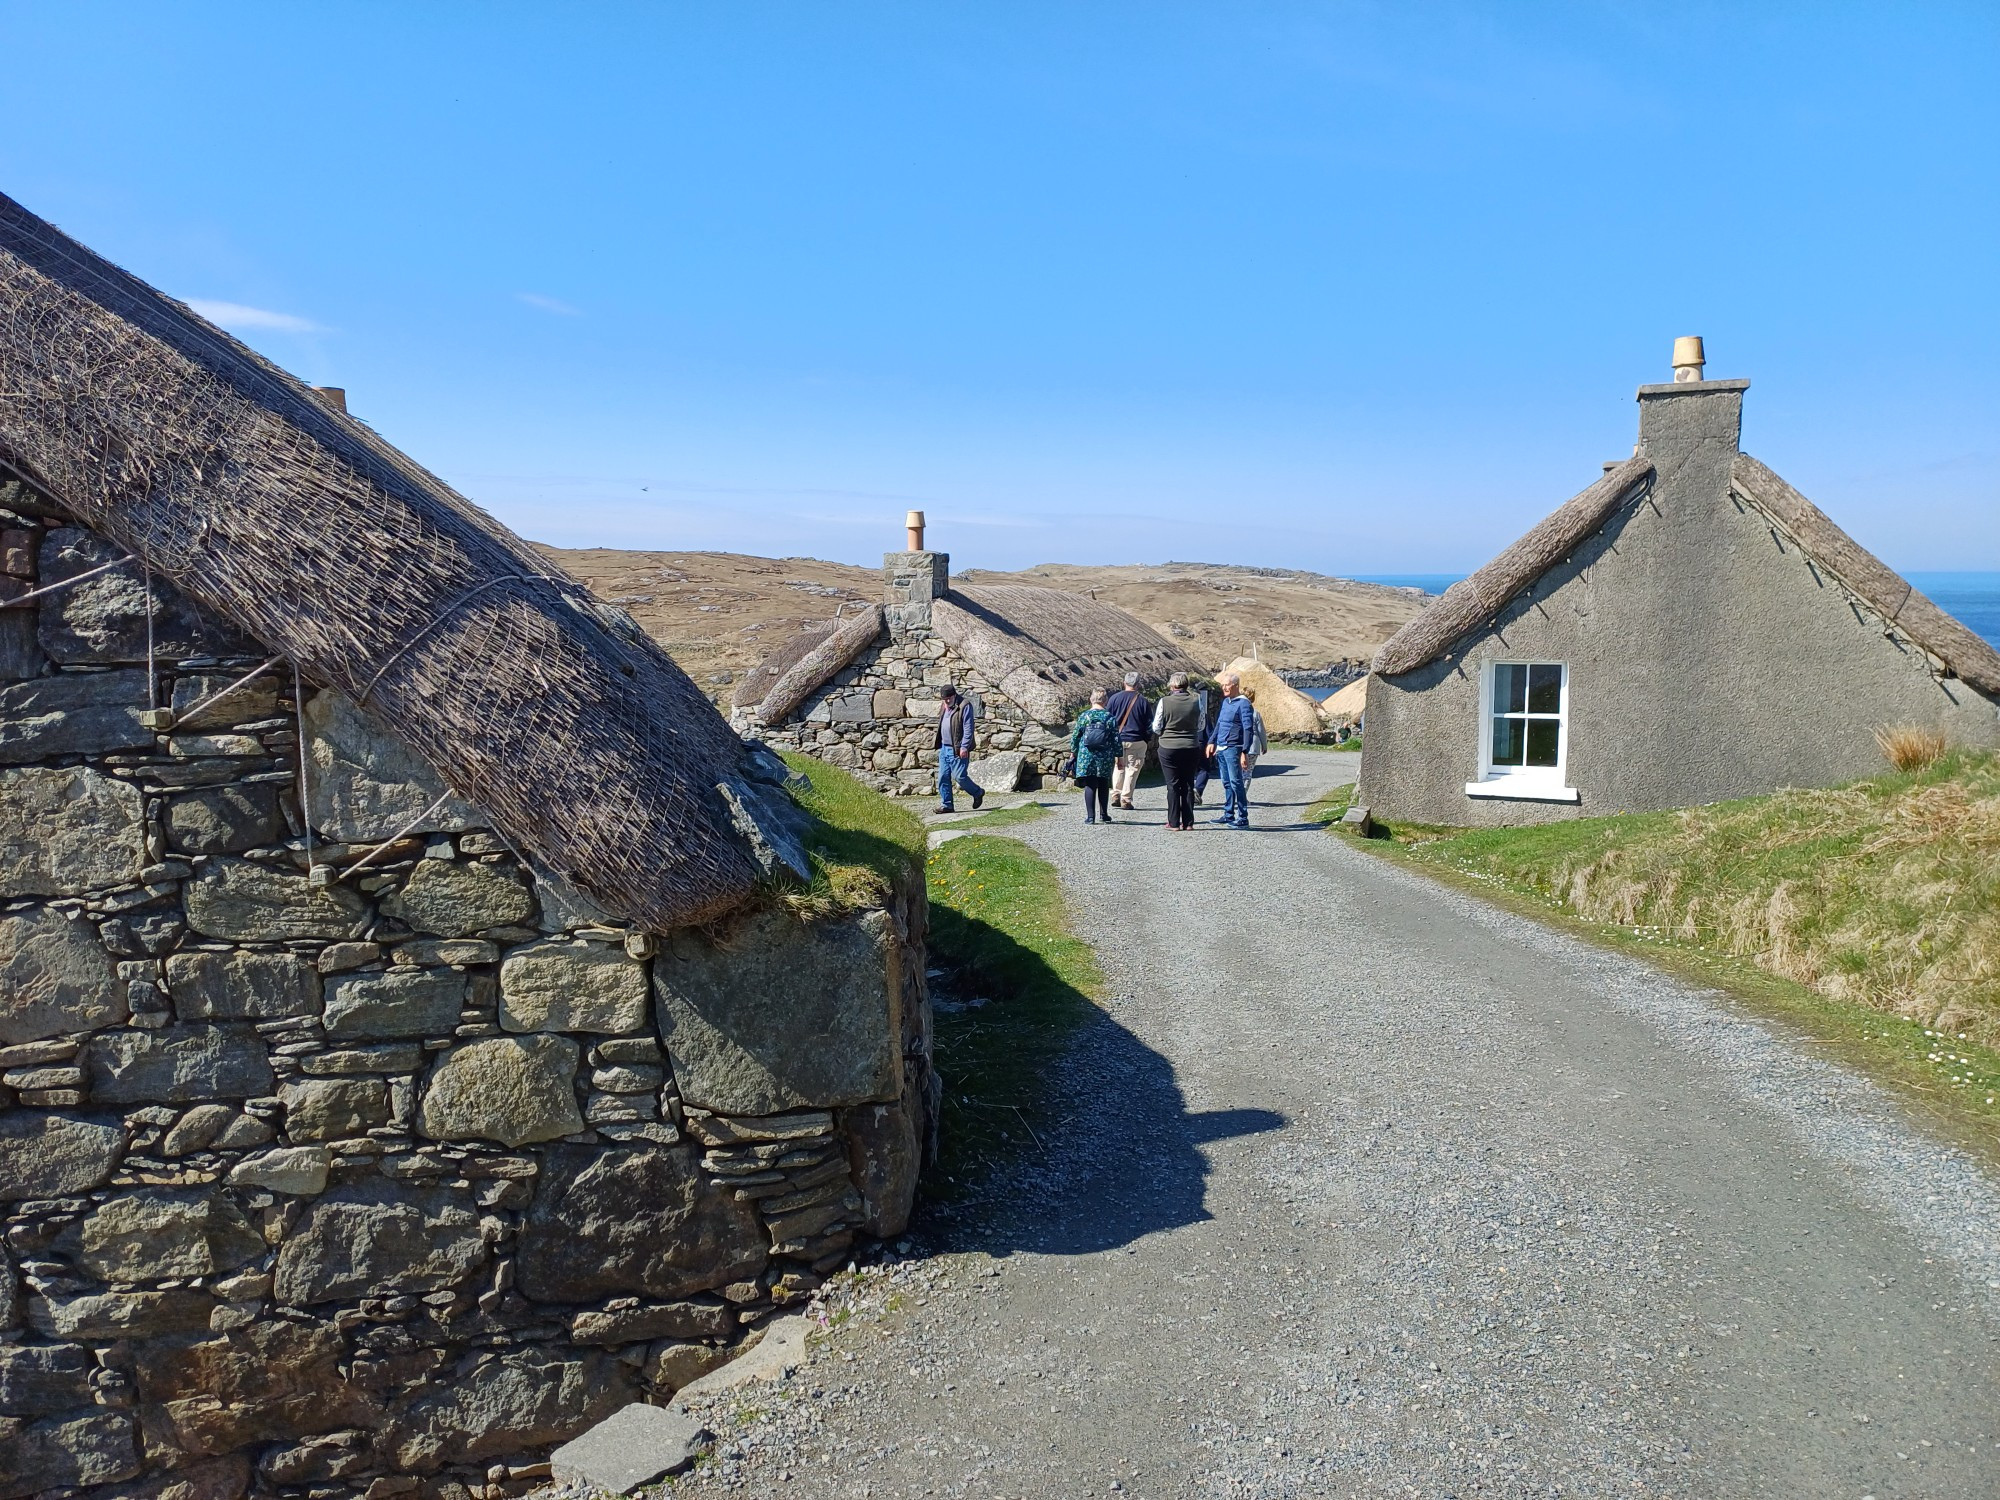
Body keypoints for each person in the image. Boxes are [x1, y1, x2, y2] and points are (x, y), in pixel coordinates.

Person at [1151, 672, 1206, 830]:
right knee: (1188, 783)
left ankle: (1173, 822)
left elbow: (1156, 726)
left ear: (1172, 685)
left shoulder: (1165, 701)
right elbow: (1201, 724)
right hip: (1191, 746)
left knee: (1173, 785)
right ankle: (1188, 823)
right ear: (1186, 685)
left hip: (1169, 747)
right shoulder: (1197, 700)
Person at [1207, 670, 1255, 828]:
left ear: (1235, 686)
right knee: (1226, 782)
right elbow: (1220, 723)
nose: (1224, 688)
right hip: (1221, 747)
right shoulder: (1226, 702)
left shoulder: (1244, 704)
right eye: (1223, 685)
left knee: (1236, 782)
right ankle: (1228, 814)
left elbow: (1248, 729)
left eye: (1226, 685)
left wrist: (1244, 752)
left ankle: (1243, 817)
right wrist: (1211, 741)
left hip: (1234, 748)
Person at [1104, 670, 1152, 810]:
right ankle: (1126, 798)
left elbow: (1108, 719)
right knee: (1132, 769)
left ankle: (1116, 794)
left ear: (1124, 683)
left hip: (1117, 739)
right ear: (1138, 685)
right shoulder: (1143, 701)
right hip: (1136, 739)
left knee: (1118, 767)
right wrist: (1146, 739)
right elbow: (1149, 724)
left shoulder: (1114, 699)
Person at [1070, 688, 1118, 824]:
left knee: (1090, 784)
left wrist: (1073, 752)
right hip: (1105, 755)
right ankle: (1104, 814)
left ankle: (1091, 817)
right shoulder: (1110, 717)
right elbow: (1116, 739)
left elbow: (1075, 737)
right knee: (1103, 783)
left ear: (1091, 700)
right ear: (1105, 701)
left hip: (1087, 755)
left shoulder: (1084, 716)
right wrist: (1119, 756)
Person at [934, 685, 984, 812]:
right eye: (944, 699)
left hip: (957, 748)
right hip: (945, 748)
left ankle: (977, 792)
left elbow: (968, 728)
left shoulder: (964, 706)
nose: (946, 701)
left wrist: (964, 747)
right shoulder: (944, 706)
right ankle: (947, 805)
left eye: (948, 698)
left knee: (959, 777)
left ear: (954, 695)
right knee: (943, 777)